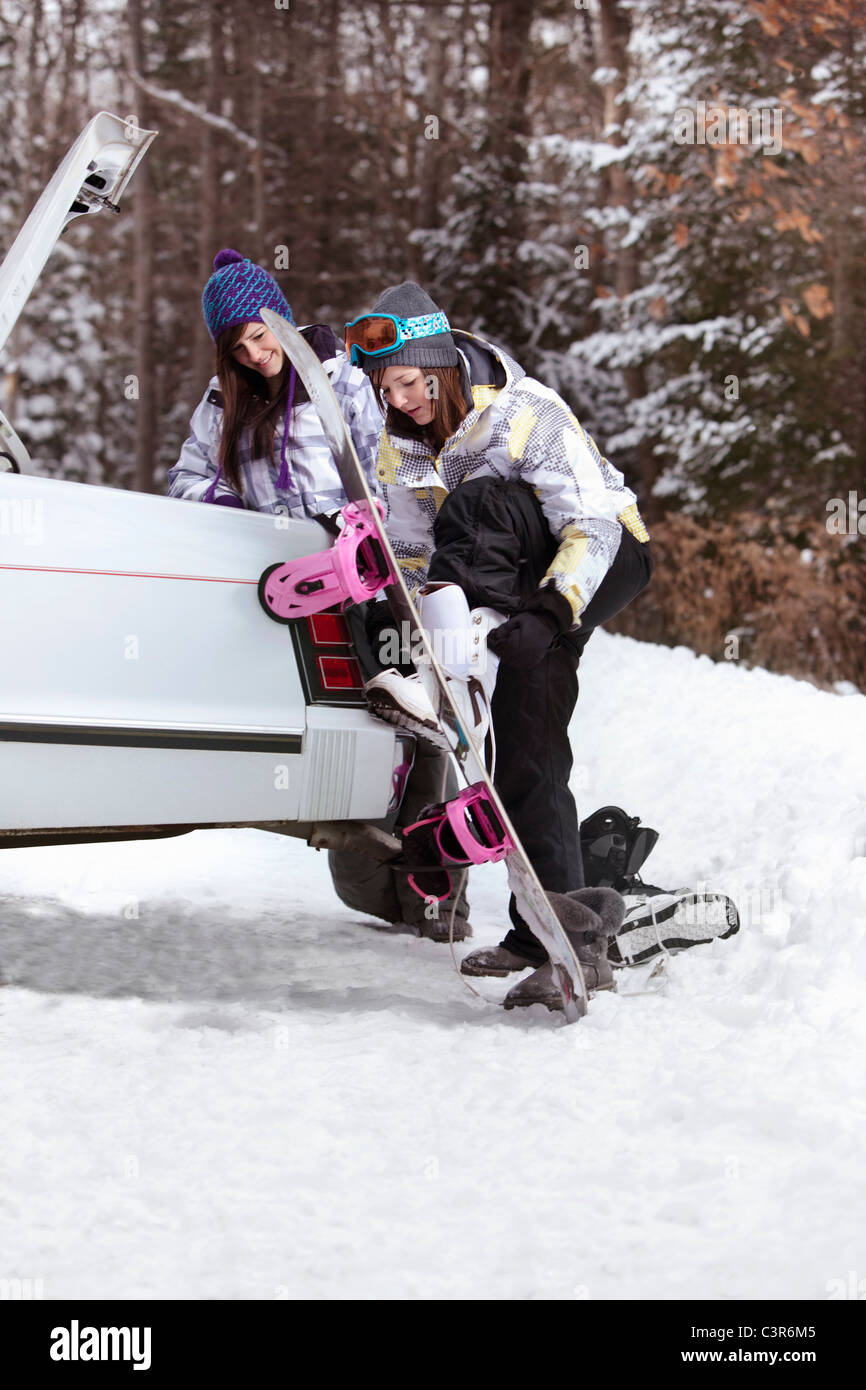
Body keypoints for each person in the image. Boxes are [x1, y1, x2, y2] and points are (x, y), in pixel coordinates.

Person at [345, 282, 654, 1009]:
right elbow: (419, 554)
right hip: (507, 580)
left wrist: (550, 611)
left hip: (602, 556)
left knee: (481, 499)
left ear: (442, 366)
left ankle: (469, 645)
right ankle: (546, 933)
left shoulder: (525, 412)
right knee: (524, 735)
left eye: (413, 384)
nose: (403, 402)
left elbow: (594, 524)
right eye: (387, 391)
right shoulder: (400, 448)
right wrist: (420, 611)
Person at [167, 251, 471, 942]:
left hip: (376, 580)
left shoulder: (341, 380)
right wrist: (220, 499)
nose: (255, 353)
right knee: (349, 739)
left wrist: (366, 522)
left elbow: (391, 462)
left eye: (260, 333)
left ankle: (438, 899)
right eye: (238, 346)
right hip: (301, 594)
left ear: (280, 316)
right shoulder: (222, 406)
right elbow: (184, 480)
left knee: (415, 735)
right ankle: (380, 888)